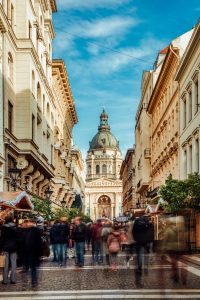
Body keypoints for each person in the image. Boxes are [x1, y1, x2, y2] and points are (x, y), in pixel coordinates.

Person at [23, 219, 43, 287]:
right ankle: (33, 281)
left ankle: (34, 281)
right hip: (28, 252)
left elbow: (39, 242)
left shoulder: (36, 230)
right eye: (28, 223)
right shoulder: (26, 231)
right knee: (31, 268)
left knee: (33, 268)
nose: (28, 224)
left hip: (34, 252)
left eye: (29, 223)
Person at [0, 215, 18, 284]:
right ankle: (13, 279)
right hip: (14, 247)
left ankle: (5, 280)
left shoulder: (3, 227)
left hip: (6, 247)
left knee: (6, 264)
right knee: (13, 263)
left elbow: (2, 239)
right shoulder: (15, 227)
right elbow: (18, 239)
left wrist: (0, 248)